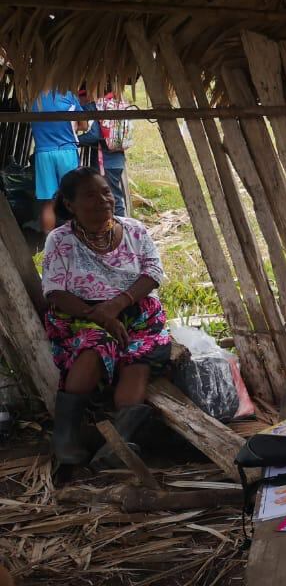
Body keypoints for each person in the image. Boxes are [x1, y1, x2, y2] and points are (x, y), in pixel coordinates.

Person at [42, 168, 172, 468]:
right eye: (90, 195)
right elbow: (54, 290)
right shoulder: (60, 240)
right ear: (70, 204)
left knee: (137, 358)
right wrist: (99, 316)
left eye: (105, 192)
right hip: (80, 315)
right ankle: (66, 436)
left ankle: (119, 443)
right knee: (95, 346)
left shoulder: (135, 230)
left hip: (136, 313)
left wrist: (117, 306)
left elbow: (153, 272)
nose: (103, 200)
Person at [31, 90, 83, 233]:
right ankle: (71, 238)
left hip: (43, 153)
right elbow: (83, 124)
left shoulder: (33, 98)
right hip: (66, 151)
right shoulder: (69, 96)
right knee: (71, 197)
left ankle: (48, 241)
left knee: (49, 202)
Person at [77, 86, 130, 217]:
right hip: (117, 160)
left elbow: (93, 136)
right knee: (114, 196)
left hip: (105, 162)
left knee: (111, 198)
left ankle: (119, 225)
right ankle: (118, 224)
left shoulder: (94, 107)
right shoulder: (114, 104)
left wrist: (73, 141)